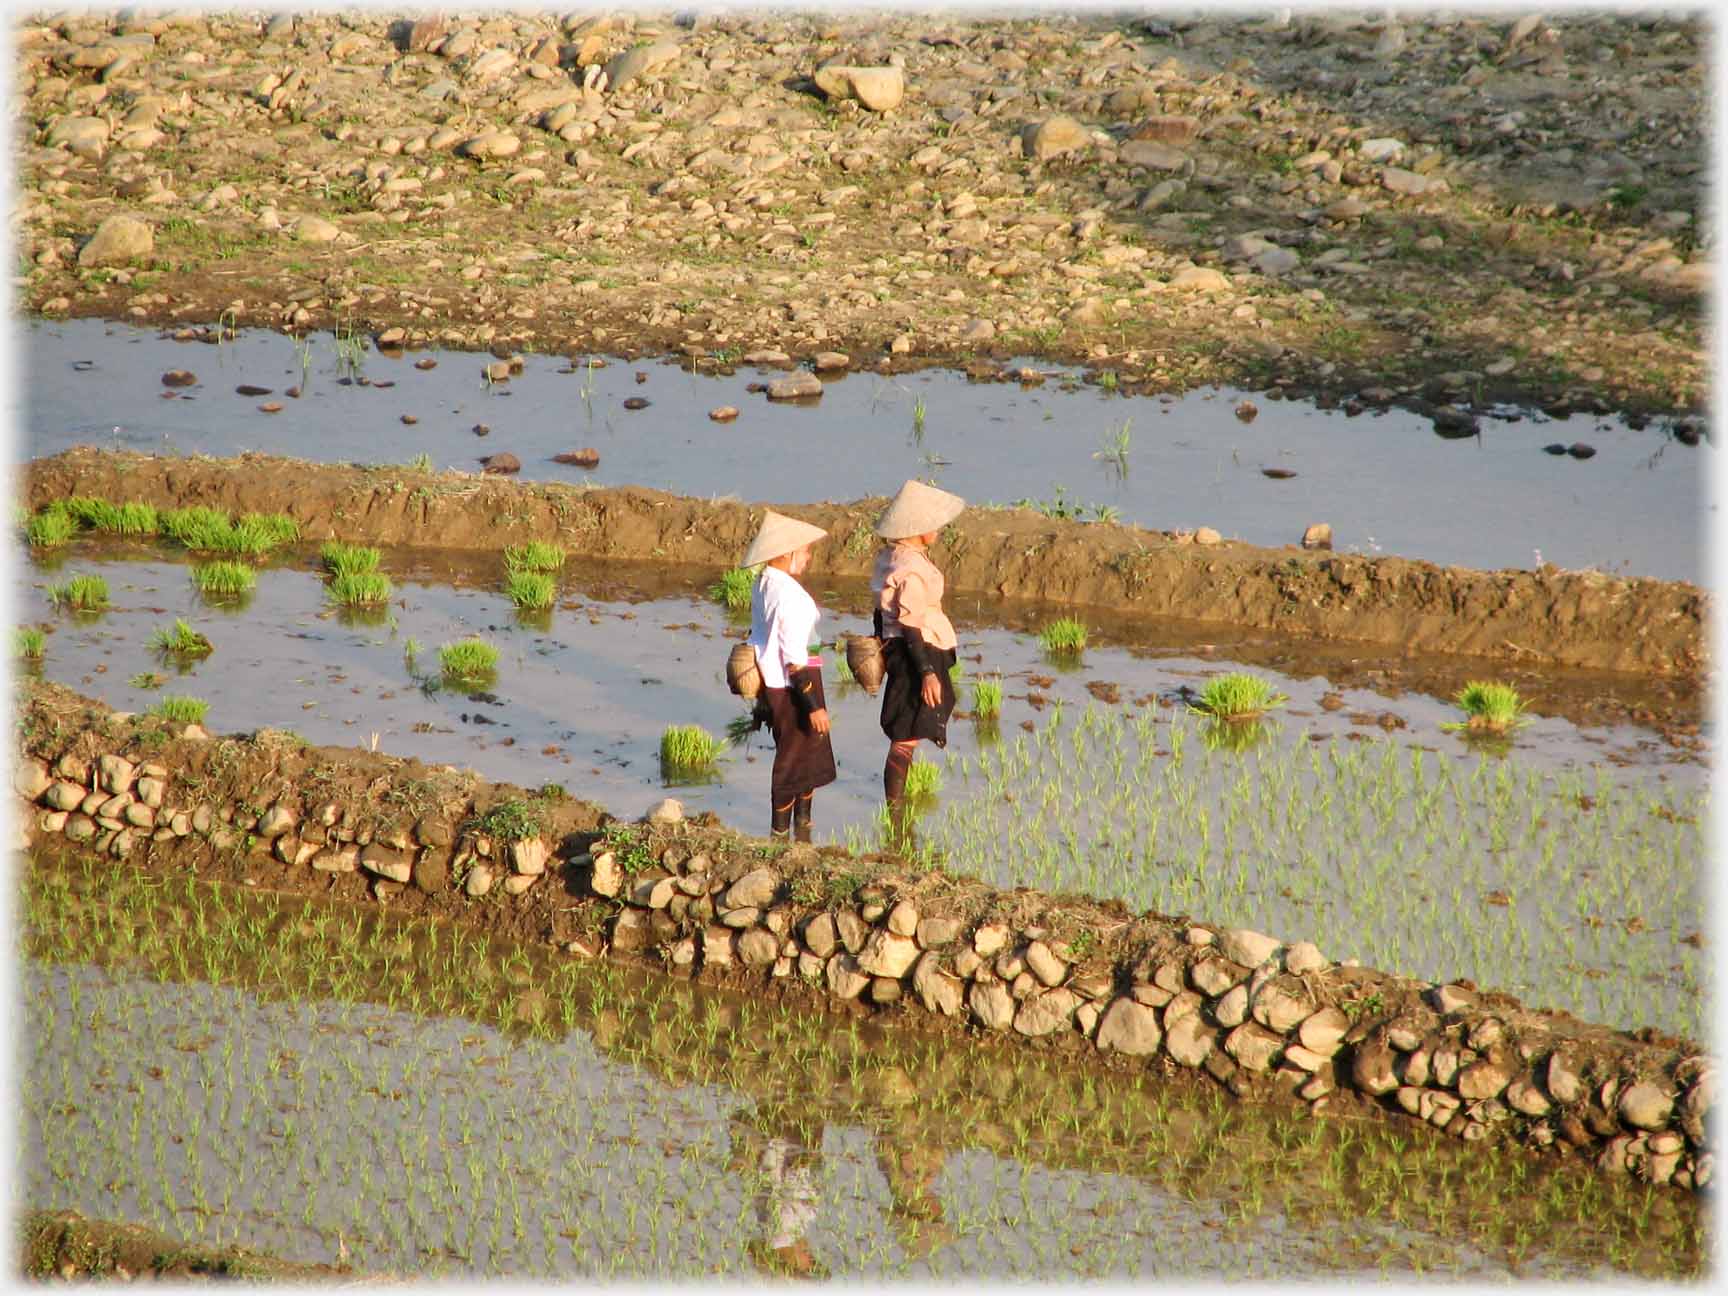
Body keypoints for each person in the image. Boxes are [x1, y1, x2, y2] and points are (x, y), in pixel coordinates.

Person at [871, 480, 965, 825]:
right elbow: (911, 624)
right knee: (906, 733)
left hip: (902, 649)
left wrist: (883, 645)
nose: (938, 529)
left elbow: (882, 615)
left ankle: (896, 810)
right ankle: (895, 815)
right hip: (916, 649)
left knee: (907, 729)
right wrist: (925, 672)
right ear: (918, 530)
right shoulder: (911, 569)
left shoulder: (891, 559)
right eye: (934, 524)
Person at [743, 509, 836, 841]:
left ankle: (802, 827)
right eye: (805, 551)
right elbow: (796, 660)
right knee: (794, 757)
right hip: (795, 685)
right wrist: (814, 706)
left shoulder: (764, 582)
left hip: (777, 684)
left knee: (804, 753)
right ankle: (780, 834)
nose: (809, 557)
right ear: (785, 553)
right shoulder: (789, 596)